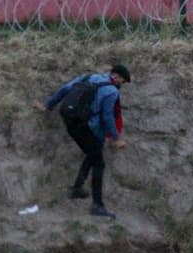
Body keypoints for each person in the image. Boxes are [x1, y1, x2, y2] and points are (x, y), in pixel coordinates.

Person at [40, 63, 130, 218]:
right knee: (99, 163)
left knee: (93, 152)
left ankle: (77, 189)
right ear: (117, 77)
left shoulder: (89, 77)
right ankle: (97, 205)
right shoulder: (112, 91)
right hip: (85, 127)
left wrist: (48, 105)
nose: (122, 84)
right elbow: (108, 117)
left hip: (69, 121)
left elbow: (65, 89)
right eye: (123, 81)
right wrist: (116, 138)